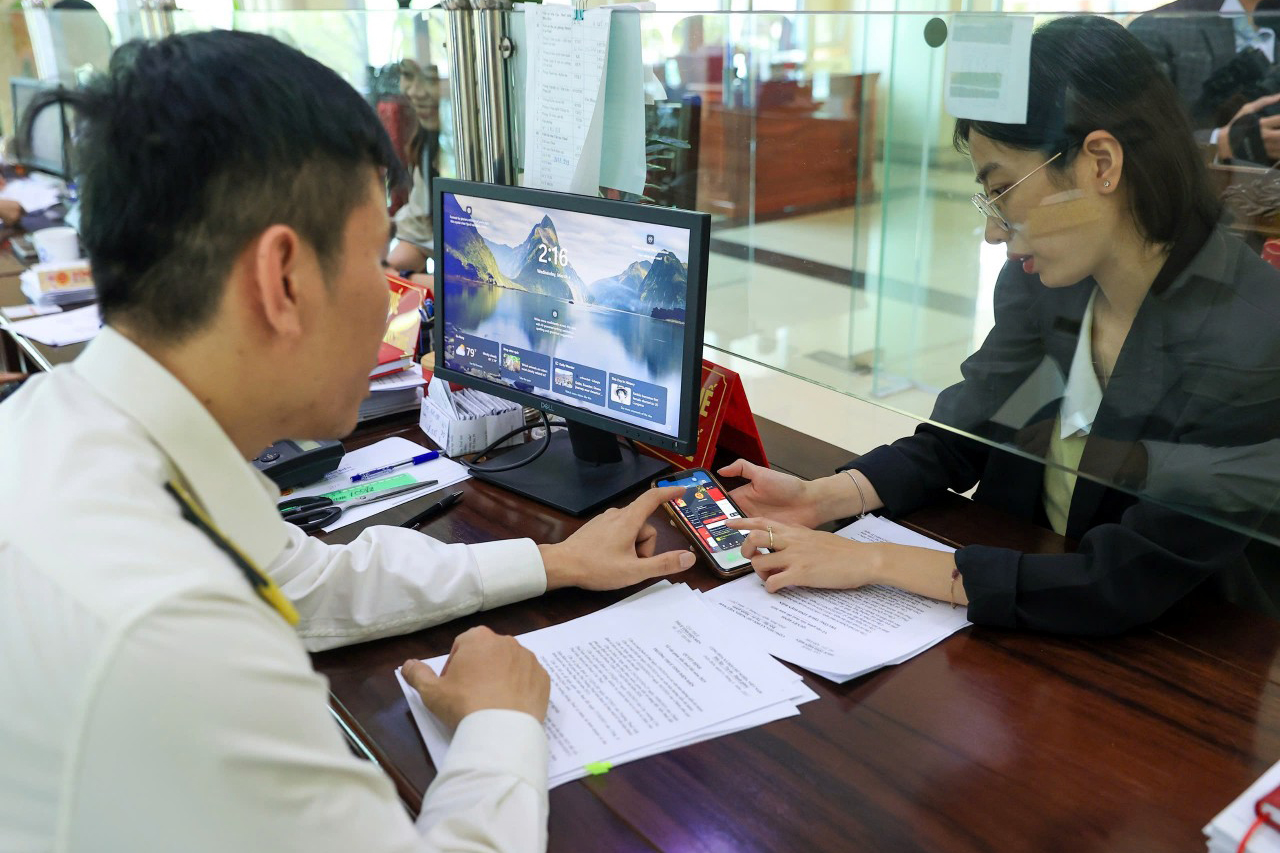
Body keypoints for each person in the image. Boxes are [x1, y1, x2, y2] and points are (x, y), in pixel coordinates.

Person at [0, 30, 694, 852]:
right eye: (374, 256)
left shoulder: (58, 425)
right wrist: (502, 726)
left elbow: (307, 580)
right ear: (283, 279)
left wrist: (556, 561)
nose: (395, 299)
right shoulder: (176, 643)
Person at [722, 15, 1280, 635]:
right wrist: (818, 498)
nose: (993, 232)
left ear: (1100, 162)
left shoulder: (1253, 331)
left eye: (1004, 189)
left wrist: (874, 561)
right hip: (1022, 599)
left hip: (1175, 654)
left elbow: (1121, 580)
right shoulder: (1045, 281)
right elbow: (964, 435)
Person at [1130, 0, 1280, 160]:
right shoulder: (1157, 27)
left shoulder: (1272, 20)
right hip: (1204, 171)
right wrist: (1221, 143)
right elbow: (1134, 142)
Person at [386, 57, 441, 275]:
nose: (416, 92)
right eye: (408, 75)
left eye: (431, 79)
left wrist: (410, 279)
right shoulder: (425, 142)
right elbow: (421, 223)